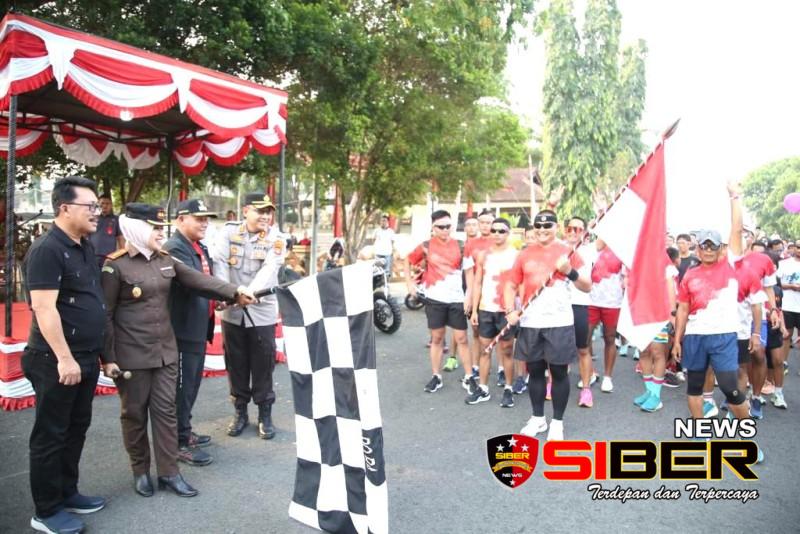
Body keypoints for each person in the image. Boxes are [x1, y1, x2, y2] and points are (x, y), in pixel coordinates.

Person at [101, 203, 253, 499]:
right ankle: (140, 471)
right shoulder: (115, 266)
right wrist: (108, 358)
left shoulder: (165, 259)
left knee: (166, 413)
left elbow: (198, 280)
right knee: (134, 415)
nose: (161, 233)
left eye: (162, 228)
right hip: (132, 356)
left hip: (165, 353)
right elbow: (104, 315)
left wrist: (234, 292)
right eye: (155, 228)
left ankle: (169, 473)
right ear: (136, 228)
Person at [22, 176, 107, 534]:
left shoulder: (83, 245)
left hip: (84, 357)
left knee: (75, 429)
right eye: (90, 206)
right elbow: (44, 309)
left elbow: (92, 300)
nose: (97, 212)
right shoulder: (47, 249)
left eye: (97, 206)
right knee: (51, 435)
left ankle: (67, 492)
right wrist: (65, 358)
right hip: (55, 360)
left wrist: (101, 354)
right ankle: (46, 510)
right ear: (65, 208)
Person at [672, 184, 764, 460]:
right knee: (694, 386)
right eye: (704, 245)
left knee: (730, 388)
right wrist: (677, 340)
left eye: (713, 245)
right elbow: (683, 309)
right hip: (695, 337)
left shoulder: (730, 265)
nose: (709, 249)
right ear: (698, 249)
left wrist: (735, 197)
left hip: (724, 336)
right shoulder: (689, 275)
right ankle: (700, 432)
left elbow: (736, 229)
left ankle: (748, 439)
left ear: (721, 248)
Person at [505, 210, 591, 441]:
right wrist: (510, 310)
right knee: (534, 371)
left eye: (547, 226)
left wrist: (569, 271)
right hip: (531, 321)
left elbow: (587, 286)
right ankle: (538, 418)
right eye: (538, 226)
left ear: (556, 227)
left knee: (559, 372)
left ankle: (557, 422)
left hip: (559, 321)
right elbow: (510, 285)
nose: (542, 230)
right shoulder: (524, 254)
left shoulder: (568, 251)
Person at [213, 193, 287, 439]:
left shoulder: (277, 238)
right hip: (232, 309)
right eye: (260, 211)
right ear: (246, 211)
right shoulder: (228, 232)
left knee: (263, 363)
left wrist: (246, 293)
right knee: (235, 362)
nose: (265, 216)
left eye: (268, 212)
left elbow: (269, 269)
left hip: (261, 310)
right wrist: (229, 293)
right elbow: (220, 264)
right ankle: (240, 412)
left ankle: (265, 413)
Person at [162, 199, 219, 467]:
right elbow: (196, 284)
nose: (204, 223)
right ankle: (178, 443)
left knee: (191, 386)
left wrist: (219, 300)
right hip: (182, 330)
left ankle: (185, 430)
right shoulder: (175, 248)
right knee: (182, 390)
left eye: (206, 218)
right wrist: (229, 293)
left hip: (197, 328)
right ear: (180, 220)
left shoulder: (197, 247)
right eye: (199, 218)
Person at [404, 210, 472, 393]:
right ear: (433, 228)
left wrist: (469, 295)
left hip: (457, 298)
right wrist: (409, 284)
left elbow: (470, 272)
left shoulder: (461, 245)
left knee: (462, 338)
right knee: (437, 338)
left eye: (448, 226)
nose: (445, 230)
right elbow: (407, 260)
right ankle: (436, 376)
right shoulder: (426, 246)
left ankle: (469, 377)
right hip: (435, 299)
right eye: (440, 227)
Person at [468, 218, 519, 407]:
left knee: (507, 350)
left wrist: (516, 310)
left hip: (506, 310)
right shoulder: (484, 255)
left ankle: (508, 388)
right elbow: (477, 283)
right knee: (485, 349)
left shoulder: (516, 255)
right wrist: (474, 310)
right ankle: (483, 388)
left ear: (508, 233)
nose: (497, 234)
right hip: (486, 309)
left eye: (502, 231)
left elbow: (520, 284)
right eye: (494, 230)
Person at [564, 216, 598, 407]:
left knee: (582, 349)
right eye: (569, 228)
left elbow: (605, 236)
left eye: (577, 229)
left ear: (584, 232)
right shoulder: (558, 247)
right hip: (559, 306)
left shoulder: (589, 250)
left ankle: (586, 390)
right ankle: (552, 384)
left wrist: (603, 209)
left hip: (579, 304)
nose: (573, 232)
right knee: (555, 349)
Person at [586, 238, 624, 396]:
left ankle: (608, 377)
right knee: (585, 338)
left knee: (610, 338)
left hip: (612, 301)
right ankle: (589, 372)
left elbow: (628, 276)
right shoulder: (588, 249)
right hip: (590, 300)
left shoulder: (621, 250)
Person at [461, 208, 495, 379]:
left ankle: (501, 370)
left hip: (496, 294)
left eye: (488, 222)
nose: (485, 225)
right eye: (482, 222)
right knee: (476, 332)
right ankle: (475, 366)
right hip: (477, 293)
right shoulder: (470, 244)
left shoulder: (500, 242)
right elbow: (469, 275)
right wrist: (468, 297)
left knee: (500, 337)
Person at [88, 193, 124, 267]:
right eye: (102, 203)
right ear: (98, 204)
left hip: (110, 257)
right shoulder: (92, 218)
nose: (104, 206)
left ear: (111, 205)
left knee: (107, 274)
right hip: (92, 256)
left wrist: (121, 255)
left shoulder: (116, 219)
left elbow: (120, 238)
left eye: (107, 203)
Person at [373, 214, 396, 279]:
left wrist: (392, 251)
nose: (383, 222)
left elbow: (392, 241)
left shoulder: (391, 231)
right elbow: (373, 240)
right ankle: (378, 283)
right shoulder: (376, 231)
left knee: (386, 271)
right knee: (377, 270)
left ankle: (386, 283)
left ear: (387, 222)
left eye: (385, 220)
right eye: (382, 220)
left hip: (387, 253)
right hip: (378, 253)